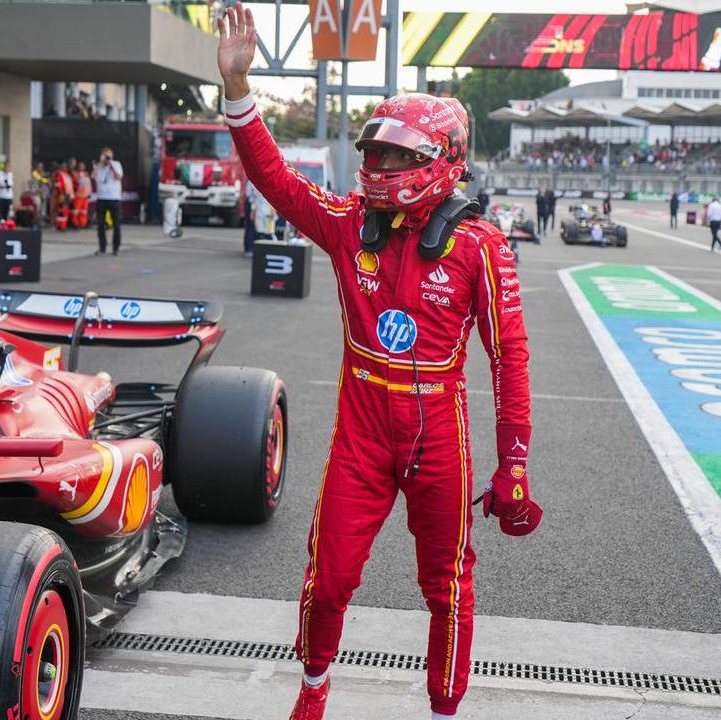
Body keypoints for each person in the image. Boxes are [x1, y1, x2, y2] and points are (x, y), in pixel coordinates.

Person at [216, 7, 539, 719]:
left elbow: (509, 358)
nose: (381, 168)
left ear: (444, 160)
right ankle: (312, 686)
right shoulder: (345, 225)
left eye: (400, 156)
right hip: (361, 439)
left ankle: (443, 708)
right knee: (327, 580)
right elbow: (277, 181)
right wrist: (240, 86)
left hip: (438, 440)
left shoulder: (480, 246)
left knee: (447, 585)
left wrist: (513, 462)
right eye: (377, 153)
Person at [94, 147, 123, 256]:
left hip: (114, 198)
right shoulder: (99, 166)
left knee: (116, 224)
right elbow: (93, 176)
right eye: (105, 156)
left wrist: (111, 165)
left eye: (109, 156)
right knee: (100, 224)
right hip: (101, 198)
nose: (107, 158)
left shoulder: (117, 164)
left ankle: (116, 248)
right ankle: (102, 247)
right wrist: (100, 163)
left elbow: (118, 177)